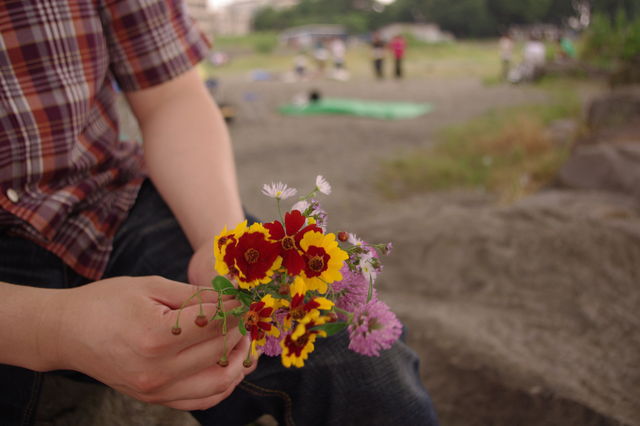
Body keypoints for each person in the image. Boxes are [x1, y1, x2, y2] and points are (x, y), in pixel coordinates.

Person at [0, 2, 439, 426]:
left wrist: (222, 244)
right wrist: (49, 328)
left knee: (359, 368)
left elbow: (171, 95)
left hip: (107, 202)